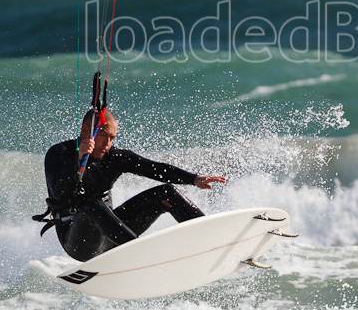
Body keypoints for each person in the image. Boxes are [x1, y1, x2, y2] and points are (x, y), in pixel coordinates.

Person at [36, 108, 226, 261]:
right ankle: (142, 257)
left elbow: (155, 169)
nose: (108, 144)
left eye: (112, 138)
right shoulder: (59, 153)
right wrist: (78, 160)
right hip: (79, 243)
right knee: (91, 203)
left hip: (114, 236)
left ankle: (215, 243)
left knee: (166, 193)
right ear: (86, 130)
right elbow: (60, 192)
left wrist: (193, 179)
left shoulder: (115, 157)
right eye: (104, 136)